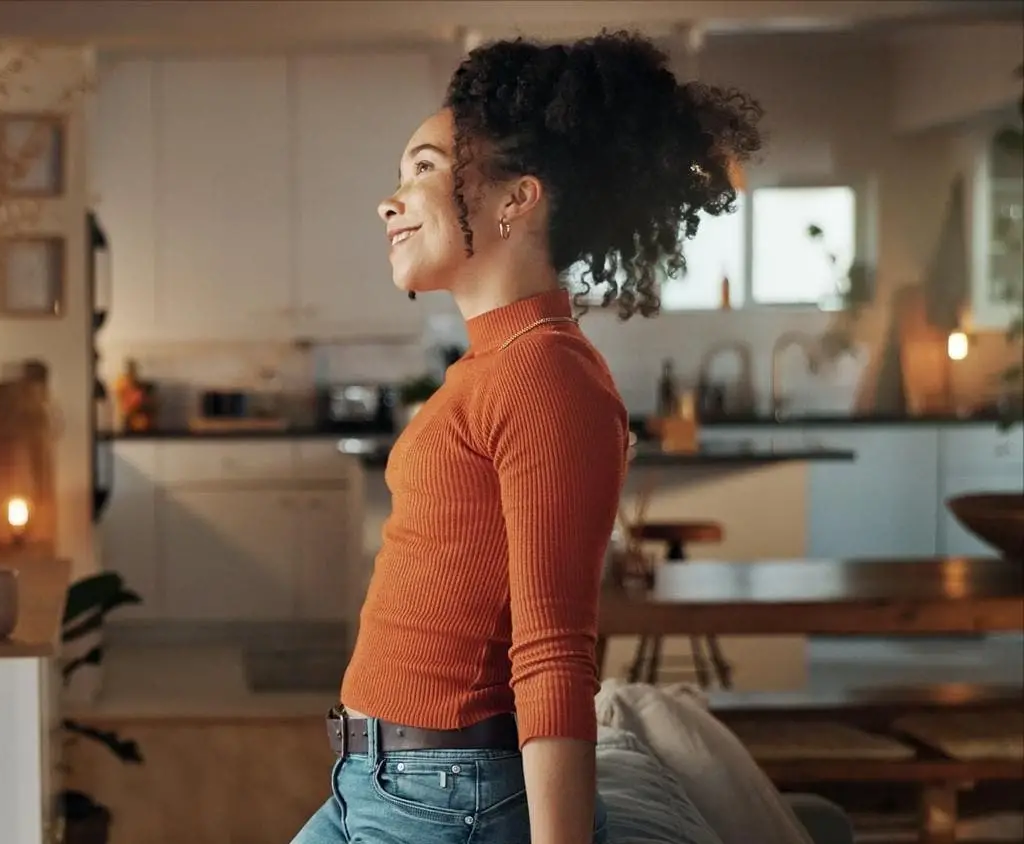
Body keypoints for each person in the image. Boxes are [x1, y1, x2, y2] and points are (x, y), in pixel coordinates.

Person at [290, 31, 763, 844]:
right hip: (383, 782)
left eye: (424, 168)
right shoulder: (496, 361)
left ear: (517, 199)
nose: (389, 201)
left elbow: (554, 652)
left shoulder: (547, 376)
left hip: (447, 796)